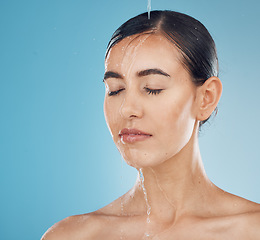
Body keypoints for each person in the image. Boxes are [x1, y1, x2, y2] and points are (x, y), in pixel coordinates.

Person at [42, 10, 260, 239]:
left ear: (206, 98)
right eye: (115, 89)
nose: (126, 109)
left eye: (153, 88)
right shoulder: (71, 235)